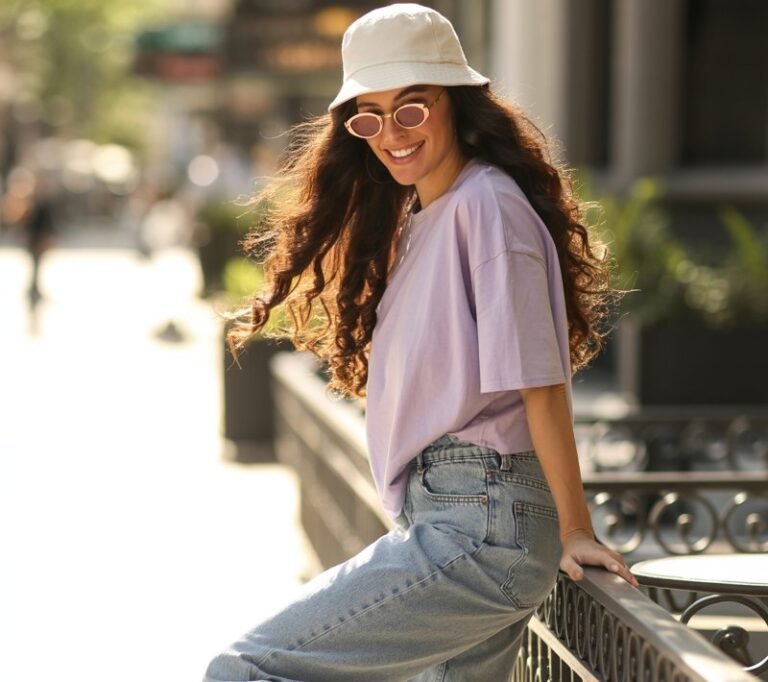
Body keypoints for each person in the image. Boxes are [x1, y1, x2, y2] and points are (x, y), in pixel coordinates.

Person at [205, 4, 637, 681]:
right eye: (368, 117)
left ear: (456, 104)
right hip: (451, 517)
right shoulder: (421, 217)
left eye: (411, 108)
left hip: (482, 524)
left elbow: (539, 381)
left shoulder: (486, 206)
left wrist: (576, 527)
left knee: (244, 669)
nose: (390, 134)